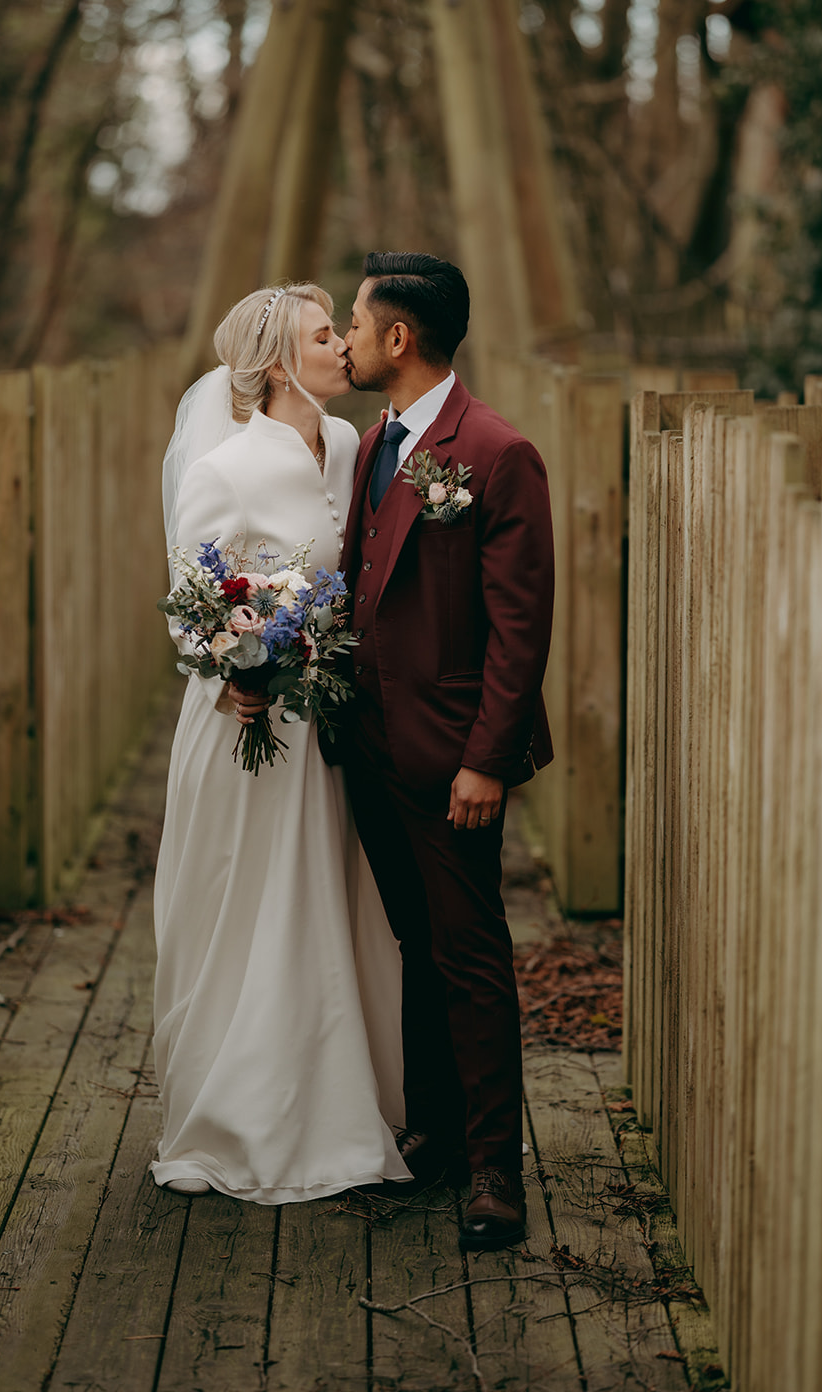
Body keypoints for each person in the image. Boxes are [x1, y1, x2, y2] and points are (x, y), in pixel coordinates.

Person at [150, 284, 408, 1203]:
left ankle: (345, 1104)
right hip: (250, 731)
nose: (344, 345)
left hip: (331, 728)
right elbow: (190, 613)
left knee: (331, 907)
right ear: (272, 365)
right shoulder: (225, 469)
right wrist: (237, 671)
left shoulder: (347, 446)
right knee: (254, 912)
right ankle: (242, 1117)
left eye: (341, 328)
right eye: (323, 334)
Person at [341, 251, 555, 1253]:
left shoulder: (496, 453)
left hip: (452, 756)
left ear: (398, 337)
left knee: (468, 957)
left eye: (353, 321)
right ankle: (428, 1130)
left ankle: (490, 1172)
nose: (341, 337)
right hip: (371, 749)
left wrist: (487, 759)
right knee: (412, 947)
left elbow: (520, 625)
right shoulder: (371, 444)